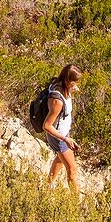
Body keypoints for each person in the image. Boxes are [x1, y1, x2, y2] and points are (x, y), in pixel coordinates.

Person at [43, 63, 81, 192]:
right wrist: (65, 139)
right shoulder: (57, 101)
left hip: (62, 133)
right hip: (59, 136)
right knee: (72, 169)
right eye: (73, 82)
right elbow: (47, 126)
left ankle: (48, 186)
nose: (76, 85)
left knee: (60, 159)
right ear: (66, 80)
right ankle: (75, 204)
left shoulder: (57, 83)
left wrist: (71, 90)